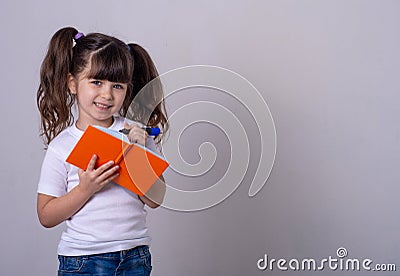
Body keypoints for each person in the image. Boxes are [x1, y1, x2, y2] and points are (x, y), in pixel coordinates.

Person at [36, 26, 168, 275]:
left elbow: (155, 200)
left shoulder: (135, 133)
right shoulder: (62, 146)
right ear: (73, 84)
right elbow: (46, 215)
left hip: (135, 255)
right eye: (96, 82)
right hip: (84, 259)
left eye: (117, 85)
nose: (107, 94)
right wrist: (85, 189)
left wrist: (137, 154)